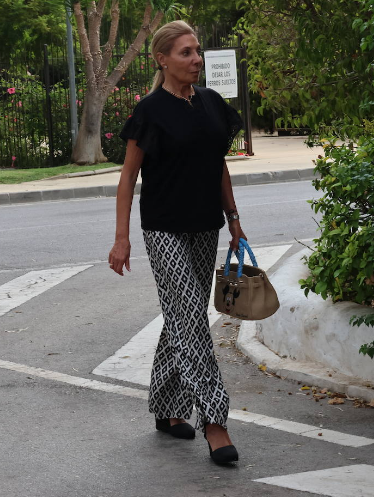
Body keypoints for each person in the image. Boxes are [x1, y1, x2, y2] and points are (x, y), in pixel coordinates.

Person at [108, 20, 245, 465]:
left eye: (198, 51)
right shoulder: (149, 110)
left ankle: (168, 411)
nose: (196, 60)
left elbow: (219, 167)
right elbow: (128, 177)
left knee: (181, 316)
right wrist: (122, 238)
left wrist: (234, 220)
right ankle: (215, 420)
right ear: (162, 59)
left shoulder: (211, 104)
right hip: (163, 228)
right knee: (188, 315)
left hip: (206, 225)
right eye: (185, 53)